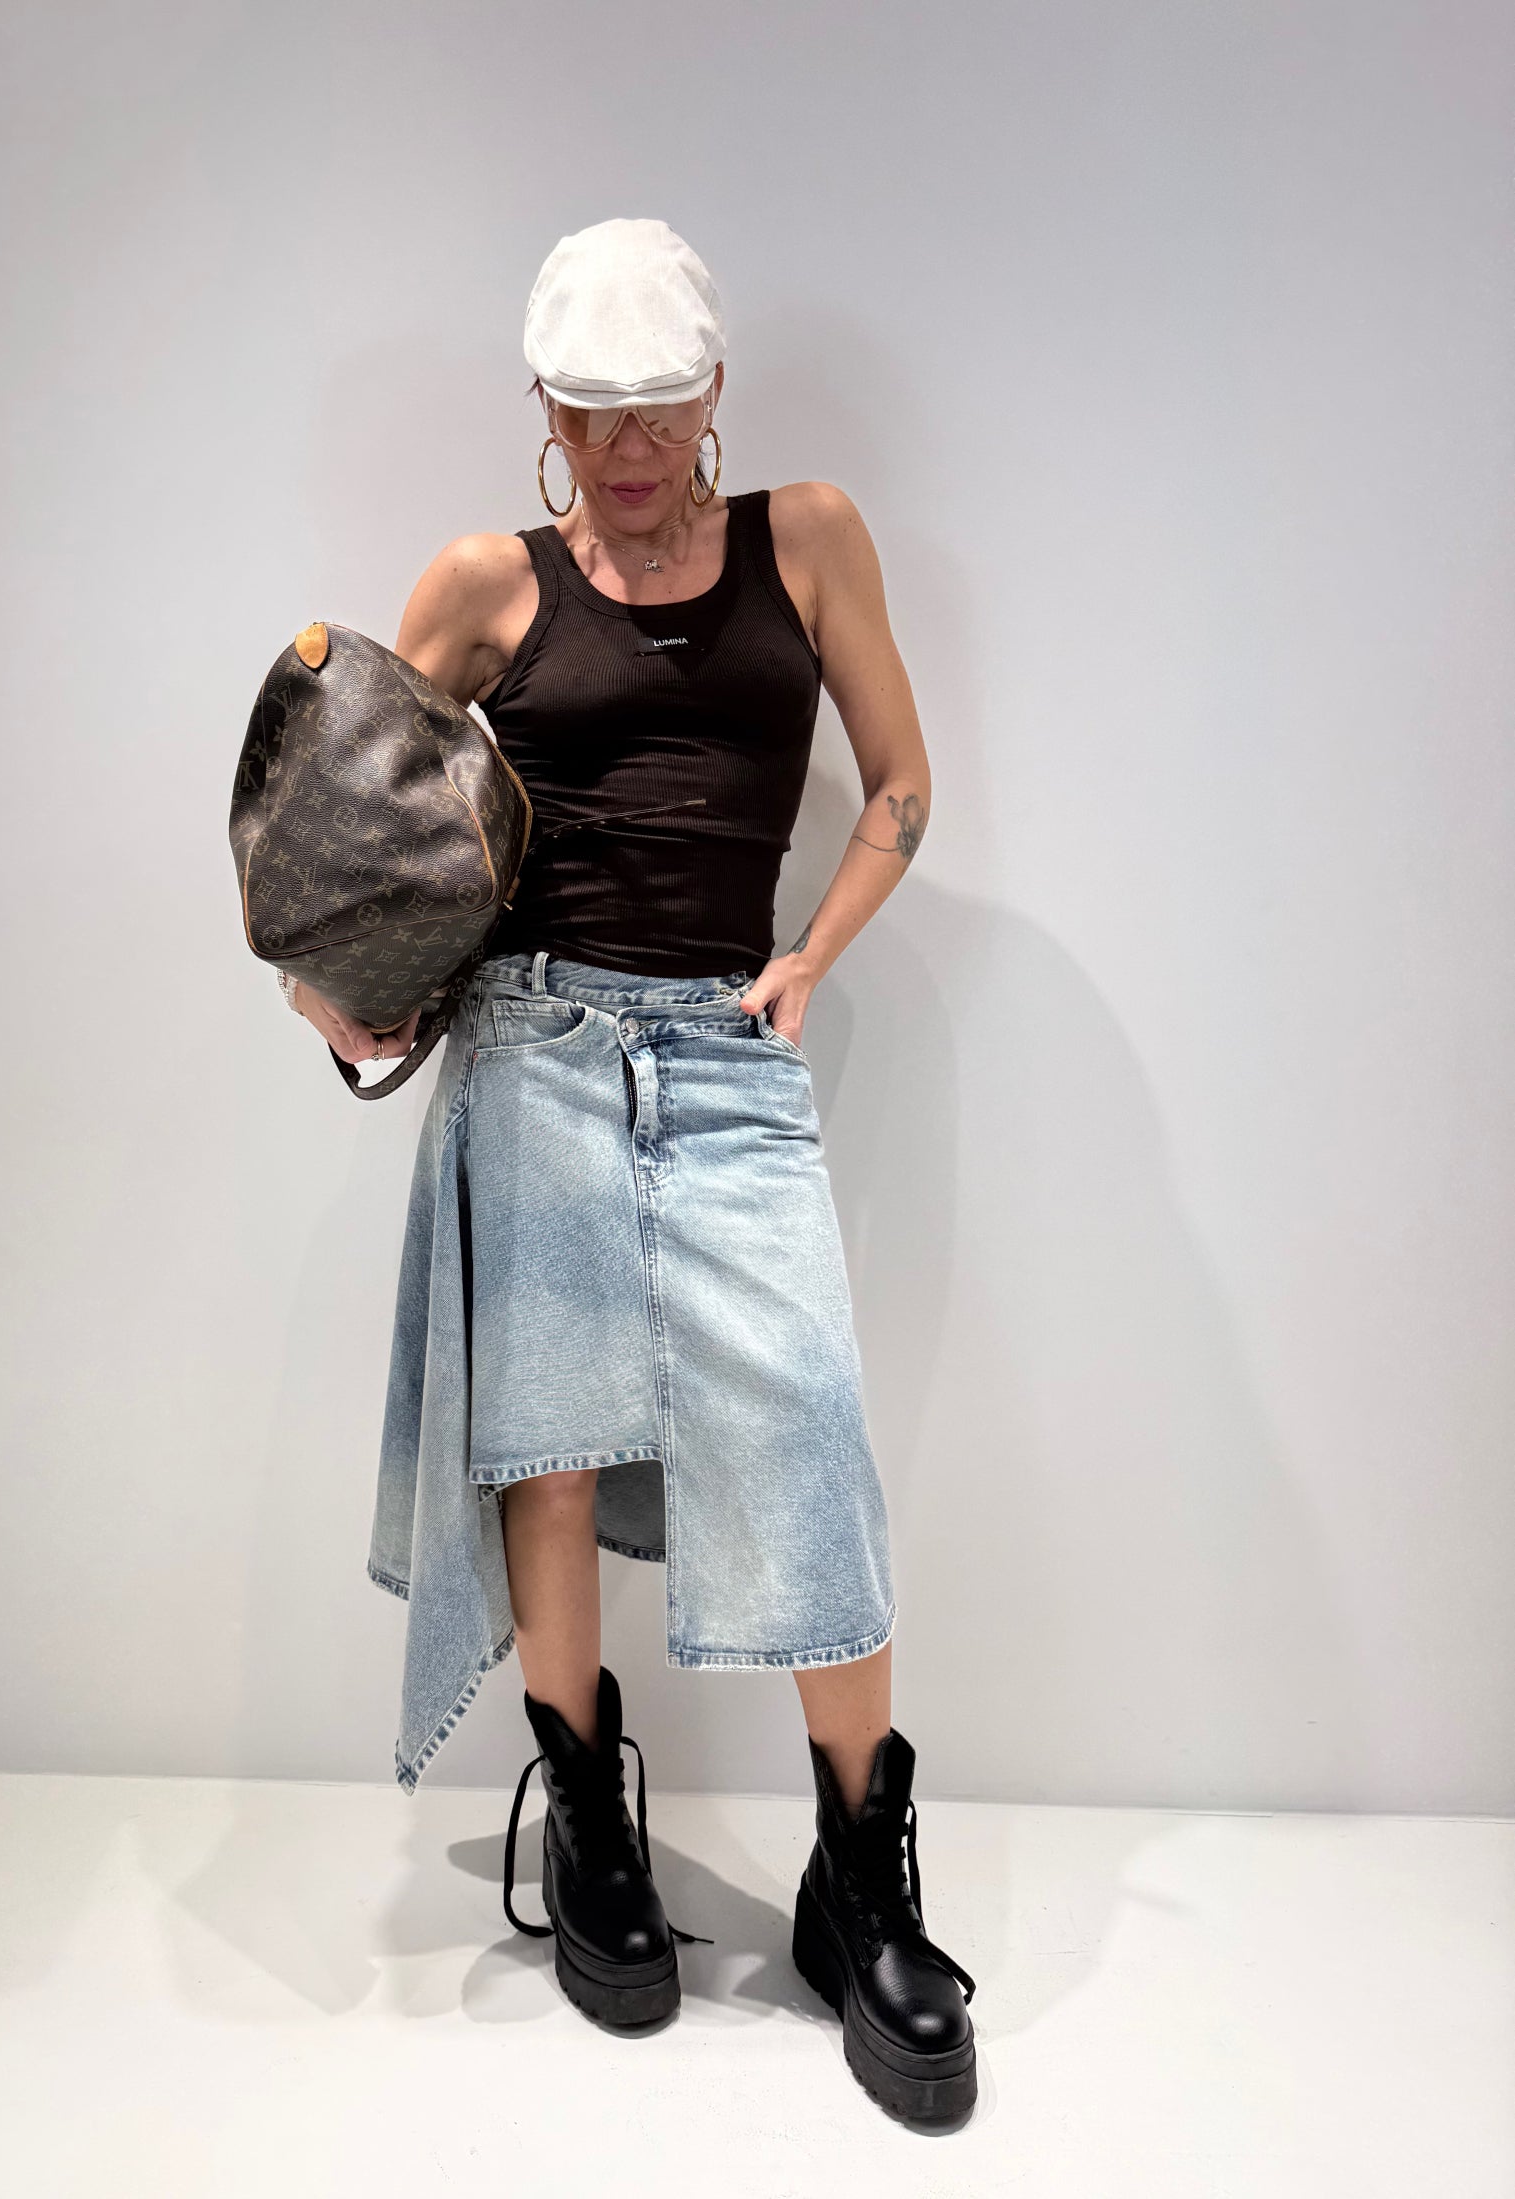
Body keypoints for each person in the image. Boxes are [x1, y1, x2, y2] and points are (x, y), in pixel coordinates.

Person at [288, 218, 977, 2124]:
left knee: (807, 1424)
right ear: (544, 405)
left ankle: (858, 1882)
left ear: (714, 391)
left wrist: (809, 956)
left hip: (726, 1049)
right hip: (532, 1051)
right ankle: (589, 1819)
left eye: (660, 410)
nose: (628, 450)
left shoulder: (807, 538)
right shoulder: (481, 583)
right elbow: (348, 827)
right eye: (592, 415)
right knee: (553, 1449)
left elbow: (901, 786)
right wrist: (336, 994)